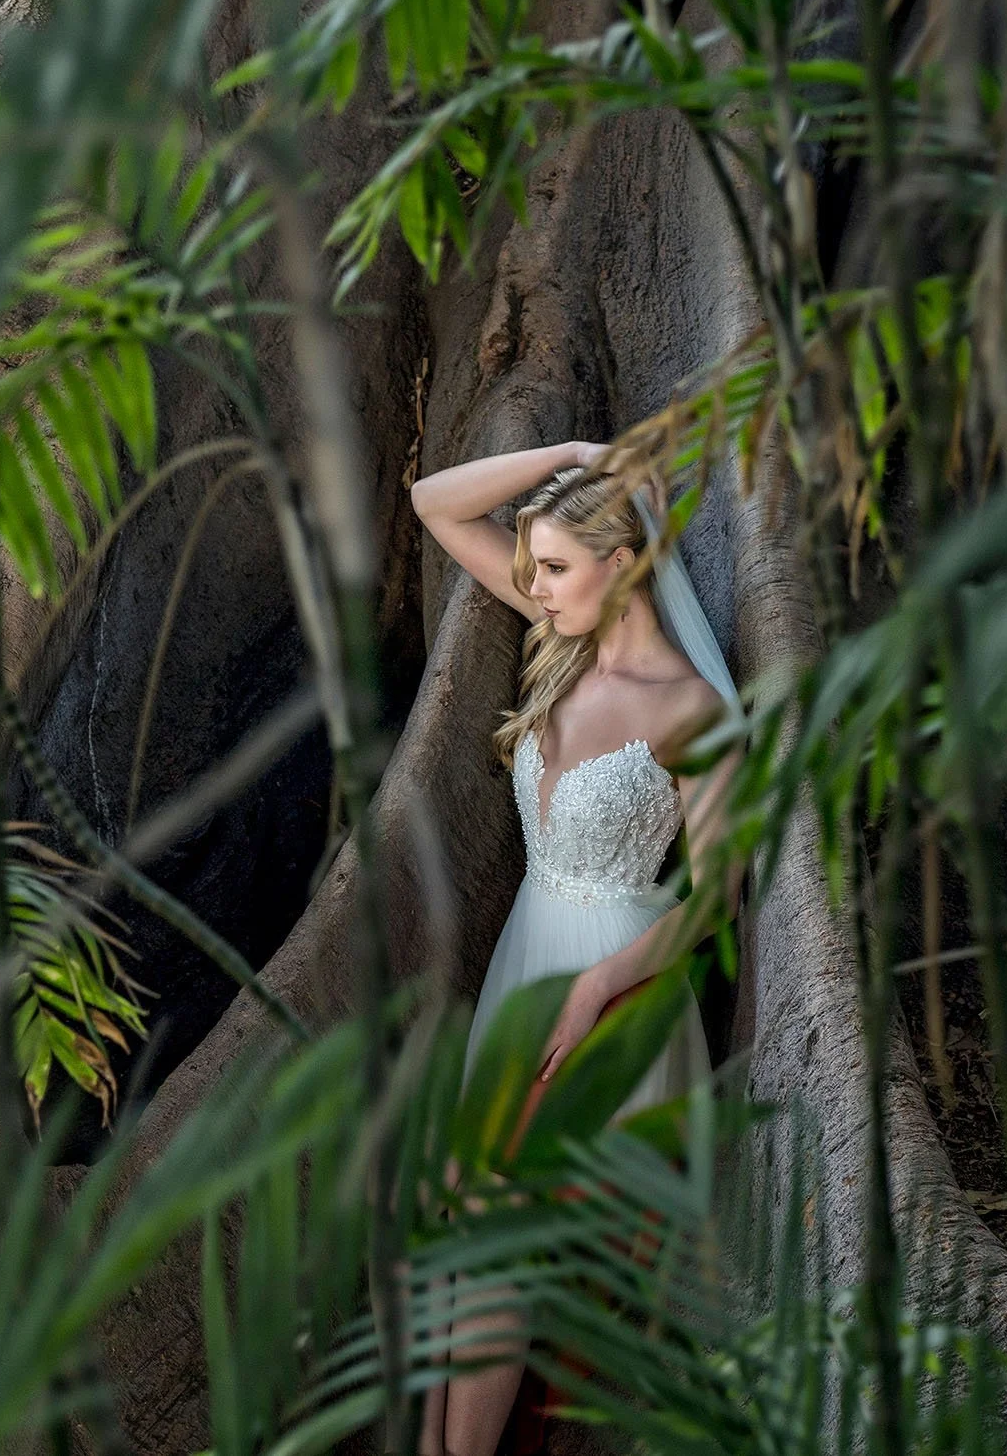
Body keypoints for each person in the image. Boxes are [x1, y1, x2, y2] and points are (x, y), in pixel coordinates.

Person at [407, 438, 744, 1456]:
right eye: (533, 570)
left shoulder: (694, 711)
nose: (535, 589)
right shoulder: (562, 646)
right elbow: (431, 502)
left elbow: (716, 895)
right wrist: (571, 455)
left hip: (614, 994)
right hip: (526, 963)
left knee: (507, 1252)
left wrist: (601, 983)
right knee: (470, 1243)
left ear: (623, 560)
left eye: (554, 565)